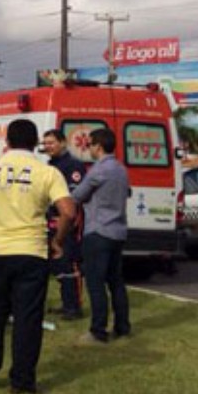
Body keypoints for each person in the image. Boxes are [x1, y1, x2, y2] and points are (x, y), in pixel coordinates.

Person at [0, 119, 76, 394]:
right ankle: (22, 380)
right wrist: (57, 241)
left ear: (8, 142)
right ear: (36, 142)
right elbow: (68, 212)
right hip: (32, 251)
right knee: (28, 318)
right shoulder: (46, 172)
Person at [70, 128, 131, 344]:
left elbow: (77, 195)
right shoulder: (121, 169)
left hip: (98, 230)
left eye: (91, 145)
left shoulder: (98, 171)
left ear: (98, 146)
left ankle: (98, 330)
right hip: (118, 231)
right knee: (116, 281)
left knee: (95, 283)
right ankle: (122, 326)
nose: (89, 149)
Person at [42, 129, 87, 320]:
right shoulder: (50, 166)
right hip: (50, 220)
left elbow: (72, 198)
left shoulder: (73, 166)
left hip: (68, 221)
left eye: (51, 143)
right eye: (45, 144)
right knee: (57, 264)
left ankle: (74, 307)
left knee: (69, 263)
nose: (47, 147)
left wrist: (65, 217)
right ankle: (65, 303)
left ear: (62, 143)